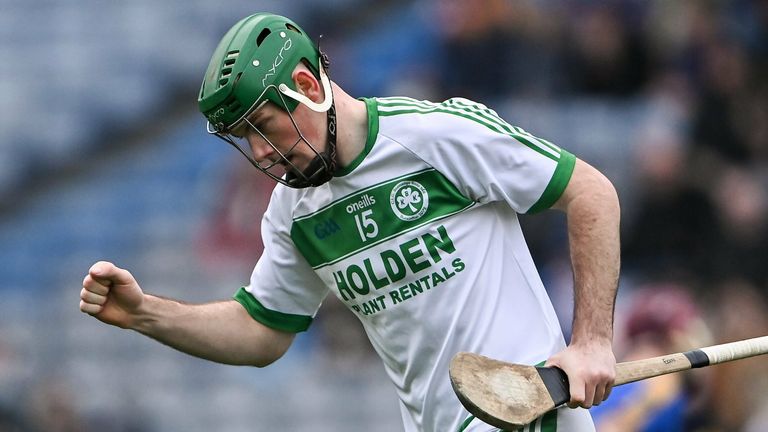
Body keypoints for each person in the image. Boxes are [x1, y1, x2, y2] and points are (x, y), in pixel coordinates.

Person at [79, 13, 620, 432]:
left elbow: (591, 193)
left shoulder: (435, 135)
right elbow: (263, 331)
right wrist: (146, 314)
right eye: (245, 139)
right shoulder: (295, 210)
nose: (261, 154)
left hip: (528, 414)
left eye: (265, 128)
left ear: (308, 86)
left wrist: (592, 340)